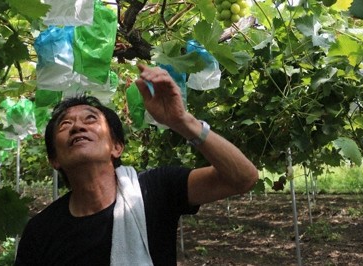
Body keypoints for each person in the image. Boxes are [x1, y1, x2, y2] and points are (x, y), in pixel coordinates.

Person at [14, 64, 259, 265]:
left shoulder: (155, 190)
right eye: (65, 125)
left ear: (116, 147)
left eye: (91, 119)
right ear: (54, 159)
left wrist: (183, 122)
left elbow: (243, 178)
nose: (78, 126)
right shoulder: (41, 232)